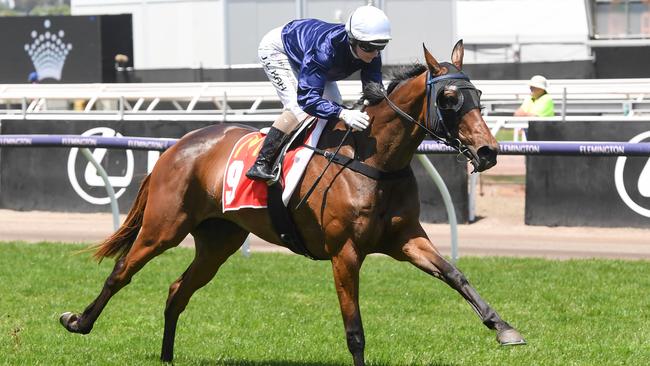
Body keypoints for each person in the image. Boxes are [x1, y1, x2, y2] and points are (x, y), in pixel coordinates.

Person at [246, 4, 392, 181]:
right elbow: (307, 100)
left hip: (311, 58)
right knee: (297, 108)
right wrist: (343, 112)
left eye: (381, 46)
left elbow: (373, 92)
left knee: (334, 102)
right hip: (280, 49)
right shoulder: (324, 49)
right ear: (352, 40)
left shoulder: (372, 52)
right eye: (369, 47)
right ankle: (262, 162)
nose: (375, 53)